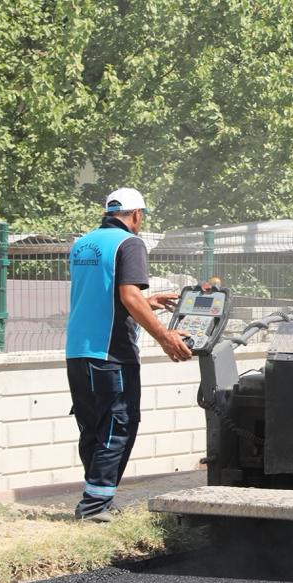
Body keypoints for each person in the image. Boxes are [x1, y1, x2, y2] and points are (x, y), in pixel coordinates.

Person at [65, 187, 192, 521]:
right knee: (118, 424)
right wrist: (165, 337)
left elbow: (102, 296)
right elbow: (128, 296)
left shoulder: (83, 244)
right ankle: (94, 507)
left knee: (93, 427)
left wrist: (148, 302)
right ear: (137, 215)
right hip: (112, 353)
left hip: (78, 351)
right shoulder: (131, 243)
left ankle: (96, 499)